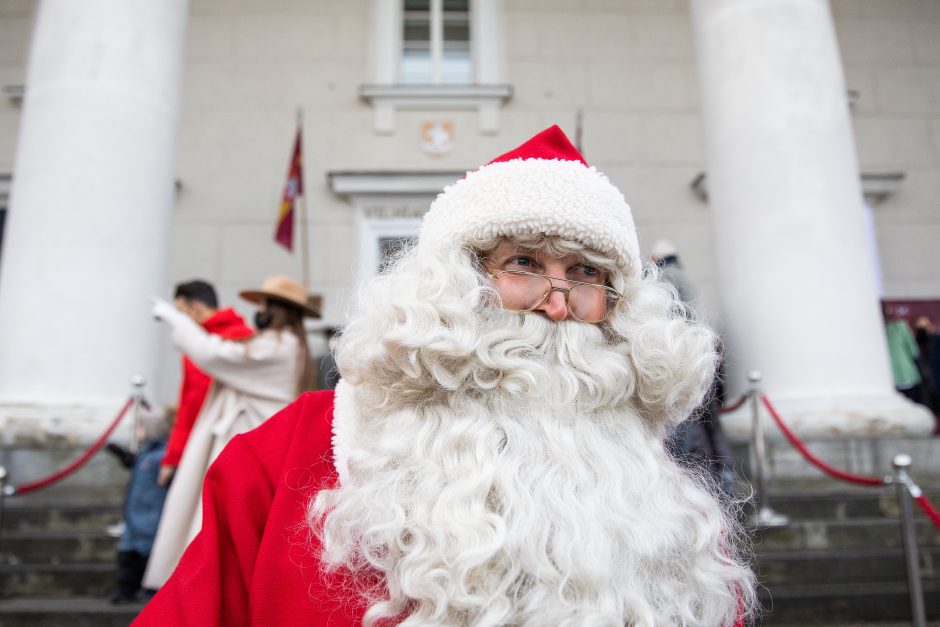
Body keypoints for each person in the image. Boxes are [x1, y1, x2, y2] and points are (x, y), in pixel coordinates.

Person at [135, 126, 757, 626]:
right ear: (457, 283)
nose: (558, 303)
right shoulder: (294, 448)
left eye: (587, 274)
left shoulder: (650, 484)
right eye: (523, 263)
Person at [142, 274, 320, 590]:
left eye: (265, 304)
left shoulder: (281, 344)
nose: (259, 310)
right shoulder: (285, 344)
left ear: (276, 309)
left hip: (250, 448)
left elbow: (216, 355)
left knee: (225, 524)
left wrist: (179, 324)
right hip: (249, 444)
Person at [160, 280, 253, 487]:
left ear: (195, 308)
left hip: (222, 443)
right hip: (223, 443)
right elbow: (189, 403)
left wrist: (174, 457)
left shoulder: (207, 345)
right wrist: (173, 456)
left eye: (180, 312)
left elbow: (190, 405)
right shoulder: (242, 337)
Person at [105, 407, 171, 604]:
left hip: (151, 516)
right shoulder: (147, 454)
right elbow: (136, 464)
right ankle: (126, 590)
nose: (137, 432)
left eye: (140, 428)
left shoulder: (162, 456)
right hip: (135, 516)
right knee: (128, 556)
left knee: (147, 557)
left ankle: (149, 588)